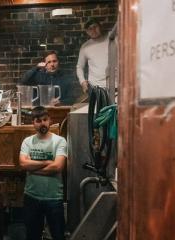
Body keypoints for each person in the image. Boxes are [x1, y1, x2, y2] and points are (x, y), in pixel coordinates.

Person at [19, 106, 67, 240]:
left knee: (58, 236)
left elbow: (57, 166)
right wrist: (47, 162)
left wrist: (33, 169)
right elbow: (23, 164)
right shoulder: (27, 142)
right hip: (31, 197)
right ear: (33, 123)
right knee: (32, 236)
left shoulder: (59, 141)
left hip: (54, 198)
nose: (43, 123)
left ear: (50, 120)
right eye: (38, 120)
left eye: (45, 120)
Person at [76, 18, 109, 93]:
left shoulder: (112, 38)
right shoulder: (85, 46)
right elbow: (79, 67)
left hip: (116, 85)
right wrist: (82, 81)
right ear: (87, 32)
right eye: (90, 29)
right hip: (95, 87)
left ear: (100, 26)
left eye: (95, 27)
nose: (93, 30)